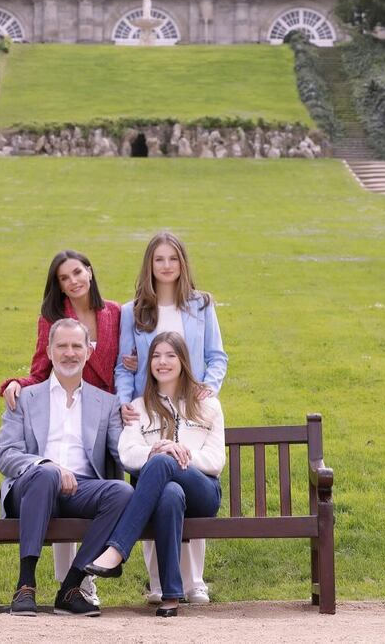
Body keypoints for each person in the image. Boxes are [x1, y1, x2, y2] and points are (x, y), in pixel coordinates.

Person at [0, 249, 124, 604]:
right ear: (49, 352)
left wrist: (153, 451)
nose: (69, 353)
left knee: (121, 493)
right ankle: (26, 585)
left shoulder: (105, 403)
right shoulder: (25, 398)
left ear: (88, 352)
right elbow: (6, 455)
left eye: (76, 347)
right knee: (45, 475)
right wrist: (46, 466)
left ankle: (72, 585)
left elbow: (121, 451)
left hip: (83, 490)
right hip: (34, 489)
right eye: (61, 347)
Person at [114, 231, 227, 605]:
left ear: (182, 264)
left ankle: (190, 580)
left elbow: (216, 356)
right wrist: (126, 404)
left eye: (172, 259)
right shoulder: (133, 312)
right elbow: (125, 365)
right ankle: (162, 584)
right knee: (165, 487)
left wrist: (206, 388)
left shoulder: (201, 305)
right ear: (149, 265)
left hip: (191, 409)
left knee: (174, 470)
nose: (166, 266)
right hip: (150, 411)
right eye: (158, 259)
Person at [86, 332, 225, 617]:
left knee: (164, 460)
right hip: (162, 494)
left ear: (183, 360)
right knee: (169, 494)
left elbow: (215, 461)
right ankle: (170, 596)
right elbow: (126, 453)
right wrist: (153, 453)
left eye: (170, 355)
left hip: (203, 491)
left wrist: (179, 452)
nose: (163, 362)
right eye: (156, 356)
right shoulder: (139, 407)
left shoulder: (207, 404)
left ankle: (117, 550)